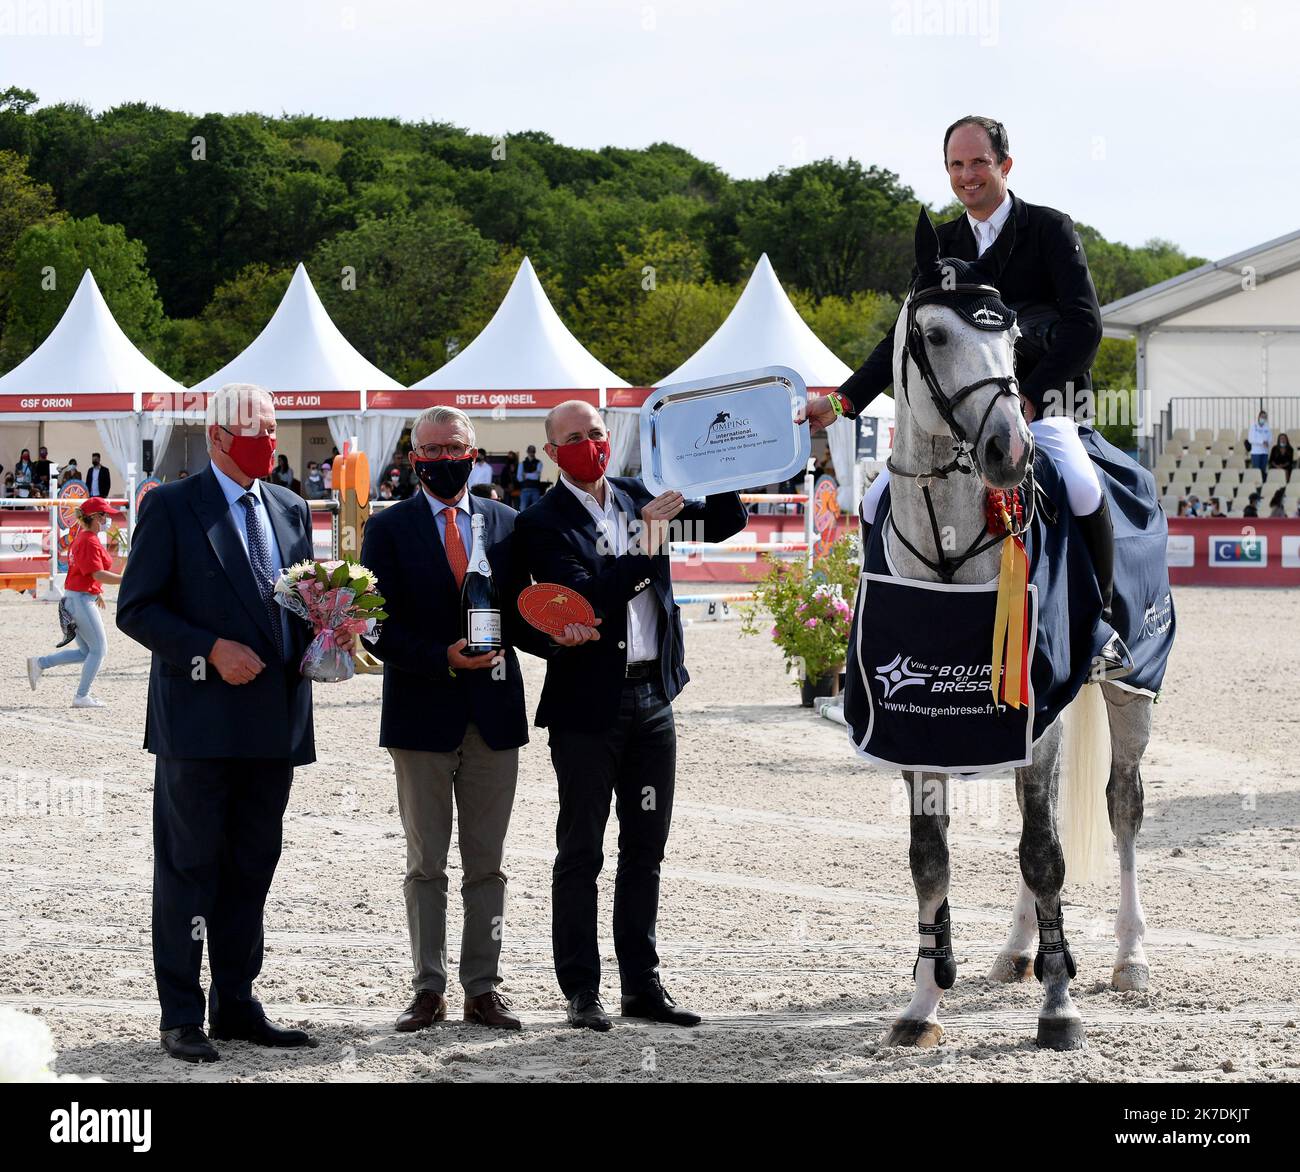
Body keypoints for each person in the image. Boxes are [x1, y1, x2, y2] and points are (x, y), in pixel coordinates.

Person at [806, 116, 1120, 660]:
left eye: (979, 162)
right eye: (956, 164)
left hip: (1040, 407)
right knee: (880, 498)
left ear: (1005, 165)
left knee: (1081, 485)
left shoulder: (1049, 229)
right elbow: (901, 339)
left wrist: (1031, 393)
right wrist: (840, 402)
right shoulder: (943, 243)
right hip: (955, 421)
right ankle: (887, 625)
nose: (967, 175)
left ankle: (1098, 628)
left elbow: (1084, 325)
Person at [360, 406, 597, 1035]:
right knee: (425, 863)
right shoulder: (388, 530)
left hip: (494, 714)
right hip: (420, 715)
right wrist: (439, 657)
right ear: (415, 459)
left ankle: (483, 989)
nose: (445, 460)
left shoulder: (507, 522)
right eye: (433, 451)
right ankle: (427, 989)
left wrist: (559, 637)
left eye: (456, 448)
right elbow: (375, 627)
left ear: (475, 452)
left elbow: (522, 614)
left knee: (487, 864)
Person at [514, 399, 747, 1032]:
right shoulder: (542, 522)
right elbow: (589, 601)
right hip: (588, 708)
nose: (590, 444)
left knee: (645, 848)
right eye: (575, 438)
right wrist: (646, 535)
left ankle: (642, 986)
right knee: (581, 850)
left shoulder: (637, 493)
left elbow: (721, 524)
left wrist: (715, 467)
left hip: (653, 699)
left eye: (596, 433)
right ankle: (582, 990)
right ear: (552, 451)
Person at [116, 382, 321, 1064]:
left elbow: (299, 602)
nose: (267, 439)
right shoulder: (172, 507)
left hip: (275, 724)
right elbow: (137, 609)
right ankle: (181, 1014)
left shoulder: (291, 508)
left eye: (271, 426)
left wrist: (331, 632)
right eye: (253, 430)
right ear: (215, 438)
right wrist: (207, 648)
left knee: (252, 865)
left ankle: (236, 1001)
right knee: (189, 869)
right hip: (199, 725)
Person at [27, 497, 124, 707]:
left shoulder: (84, 538)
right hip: (80, 600)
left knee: (86, 652)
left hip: (77, 597)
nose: (106, 518)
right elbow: (97, 573)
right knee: (99, 650)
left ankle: (40, 663)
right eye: (104, 515)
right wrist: (126, 581)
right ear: (95, 517)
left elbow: (83, 572)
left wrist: (96, 592)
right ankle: (81, 696)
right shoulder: (88, 540)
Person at [518, 445, 544, 510]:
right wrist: (533, 474)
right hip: (524, 489)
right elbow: (519, 478)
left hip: (535, 489)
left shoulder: (539, 463)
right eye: (530, 451)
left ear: (534, 452)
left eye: (533, 451)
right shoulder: (522, 463)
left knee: (536, 510)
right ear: (527, 452)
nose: (531, 453)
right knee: (523, 510)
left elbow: (536, 477)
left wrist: (525, 475)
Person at [1248, 411, 1272, 476]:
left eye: (1264, 417)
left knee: (1263, 471)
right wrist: (1262, 442)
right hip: (1256, 453)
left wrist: (1268, 442)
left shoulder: (1267, 427)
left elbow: (1270, 438)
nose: (1263, 418)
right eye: (1262, 416)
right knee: (1256, 472)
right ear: (1258, 417)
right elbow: (1251, 439)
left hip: (1265, 452)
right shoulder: (1253, 426)